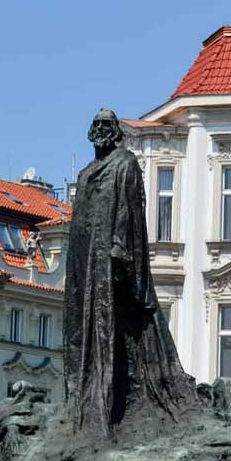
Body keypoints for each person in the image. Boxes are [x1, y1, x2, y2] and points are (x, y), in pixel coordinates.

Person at [63, 109, 195, 439]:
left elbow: (131, 210)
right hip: (83, 263)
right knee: (83, 329)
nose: (101, 129)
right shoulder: (84, 174)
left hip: (109, 261)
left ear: (117, 131)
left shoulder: (125, 164)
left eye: (108, 125)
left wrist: (121, 250)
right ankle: (81, 405)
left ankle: (105, 410)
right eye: (96, 124)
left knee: (110, 330)